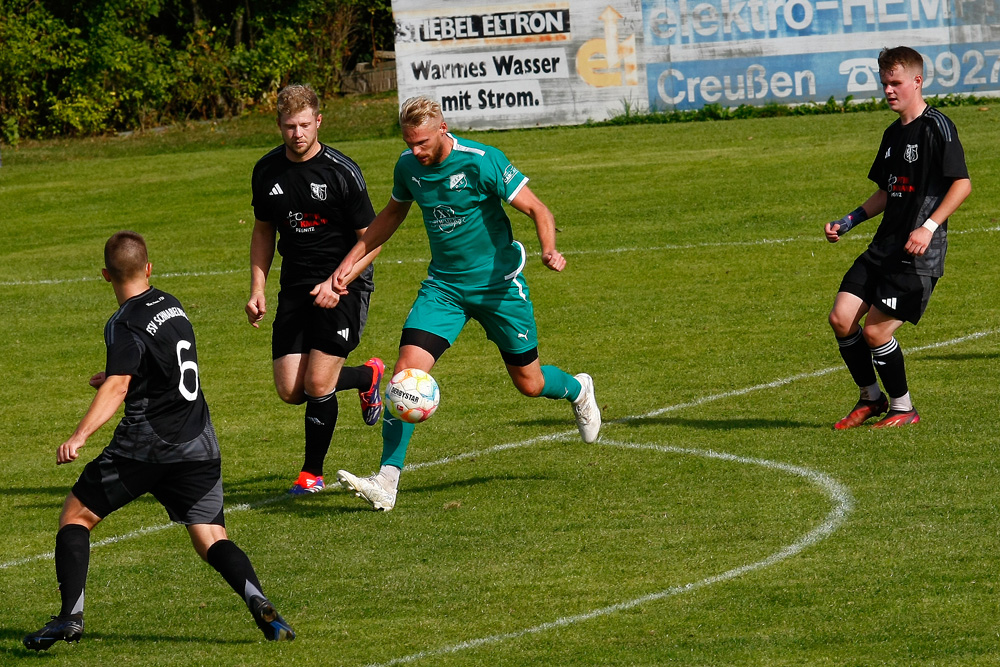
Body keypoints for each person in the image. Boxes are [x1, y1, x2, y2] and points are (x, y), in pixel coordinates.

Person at [24, 231, 294, 651]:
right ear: (149, 269)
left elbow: (117, 388)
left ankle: (69, 618)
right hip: (199, 443)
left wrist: (80, 434)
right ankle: (258, 600)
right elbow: (161, 365)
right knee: (211, 538)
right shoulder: (171, 303)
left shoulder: (123, 322)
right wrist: (120, 374)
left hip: (147, 446)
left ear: (105, 275)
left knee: (76, 517)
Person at [330, 96, 601, 512]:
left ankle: (578, 389)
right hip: (444, 289)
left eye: (422, 142)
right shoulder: (408, 167)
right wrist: (348, 265)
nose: (415, 151)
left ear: (442, 128)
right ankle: (387, 480)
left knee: (529, 384)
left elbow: (538, 209)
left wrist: (549, 249)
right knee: (405, 374)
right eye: (408, 142)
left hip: (499, 288)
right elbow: (390, 217)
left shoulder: (482, 160)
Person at [247, 84, 385, 494]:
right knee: (291, 390)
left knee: (318, 384)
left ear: (318, 121)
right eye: (289, 126)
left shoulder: (342, 172)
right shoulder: (266, 170)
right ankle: (367, 377)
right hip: (296, 285)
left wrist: (338, 280)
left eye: (304, 124)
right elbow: (263, 230)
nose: (297, 134)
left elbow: (372, 240)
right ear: (278, 125)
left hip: (345, 282)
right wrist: (258, 288)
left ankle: (312, 474)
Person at [825, 46, 971, 429]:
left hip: (917, 254)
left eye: (896, 82)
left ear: (917, 81)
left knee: (875, 330)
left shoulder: (938, 126)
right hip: (883, 248)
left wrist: (928, 226)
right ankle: (870, 399)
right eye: (884, 83)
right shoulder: (892, 134)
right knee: (841, 319)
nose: (889, 90)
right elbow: (886, 192)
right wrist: (849, 220)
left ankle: (904, 408)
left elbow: (962, 184)